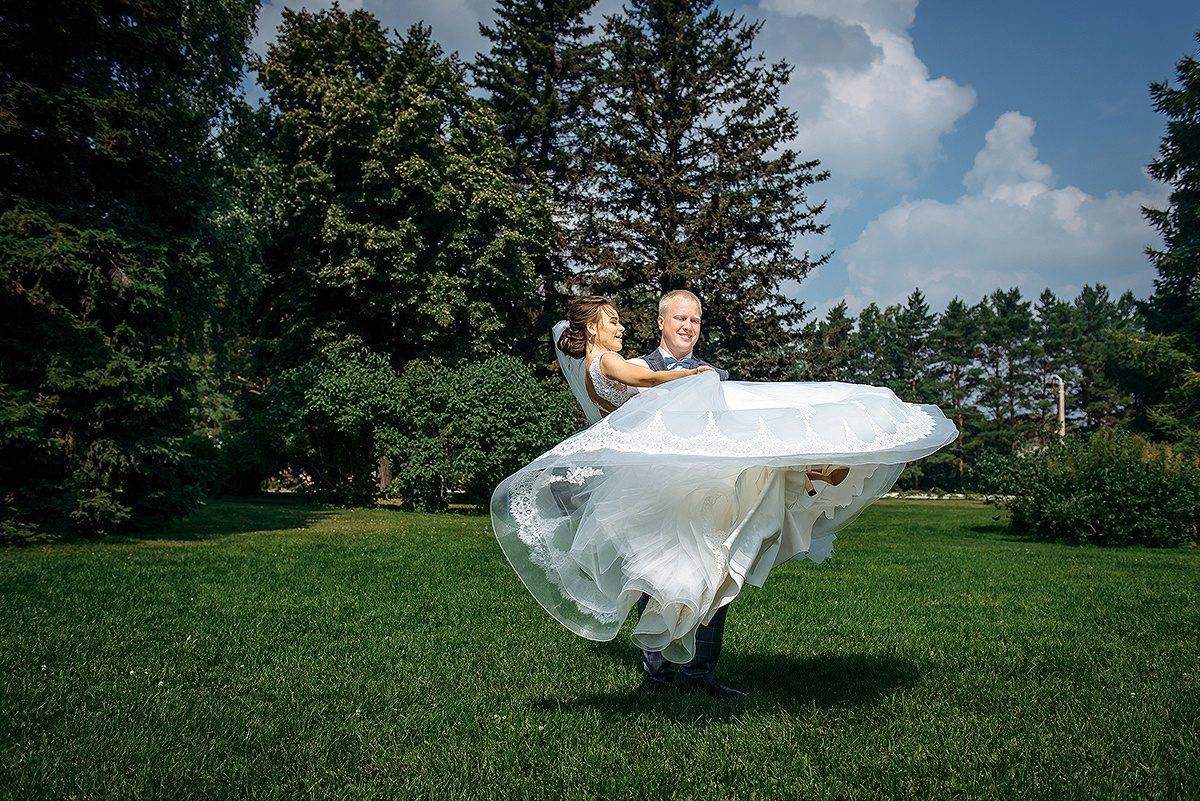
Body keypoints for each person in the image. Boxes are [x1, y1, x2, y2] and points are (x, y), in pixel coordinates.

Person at [490, 294, 958, 702]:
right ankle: (658, 677)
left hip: (701, 482)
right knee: (657, 574)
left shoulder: (675, 370)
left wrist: (701, 379)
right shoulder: (627, 364)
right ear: (661, 322)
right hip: (656, 486)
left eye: (695, 320)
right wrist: (692, 377)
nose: (687, 326)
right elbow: (644, 386)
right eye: (680, 318)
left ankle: (700, 675)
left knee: (714, 567)